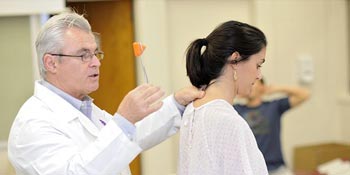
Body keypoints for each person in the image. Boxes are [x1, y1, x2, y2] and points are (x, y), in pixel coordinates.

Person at [7, 12, 204, 175]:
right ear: (51, 63)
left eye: (95, 53)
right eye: (84, 55)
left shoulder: (85, 109)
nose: (96, 62)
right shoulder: (34, 123)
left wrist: (176, 104)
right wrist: (123, 120)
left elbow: (134, 135)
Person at [177, 20, 268, 175]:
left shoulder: (192, 110)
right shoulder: (230, 122)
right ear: (235, 60)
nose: (259, 75)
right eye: (258, 65)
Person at [234, 78, 310, 175]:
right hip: (250, 169)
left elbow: (305, 94)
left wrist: (277, 89)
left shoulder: (274, 106)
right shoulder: (236, 110)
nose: (250, 86)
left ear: (262, 87)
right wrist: (236, 93)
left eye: (253, 83)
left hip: (276, 168)